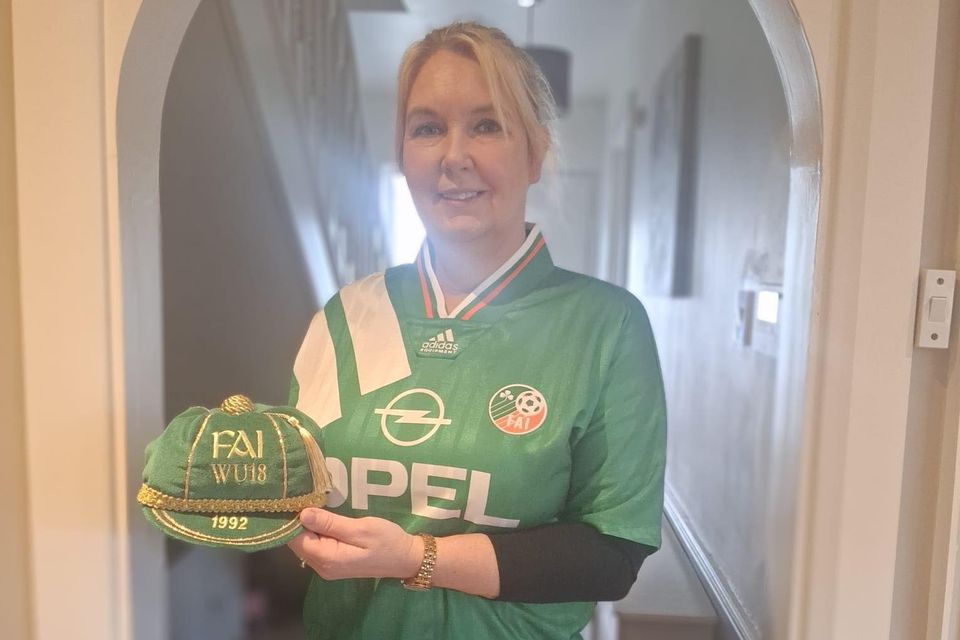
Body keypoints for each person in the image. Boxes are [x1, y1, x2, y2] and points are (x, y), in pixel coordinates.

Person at [286, 21, 667, 640]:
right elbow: (292, 490)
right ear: (404, 153)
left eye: (487, 125)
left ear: (536, 152)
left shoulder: (606, 325)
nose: (452, 156)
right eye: (428, 127)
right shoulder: (347, 315)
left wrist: (415, 559)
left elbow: (611, 555)